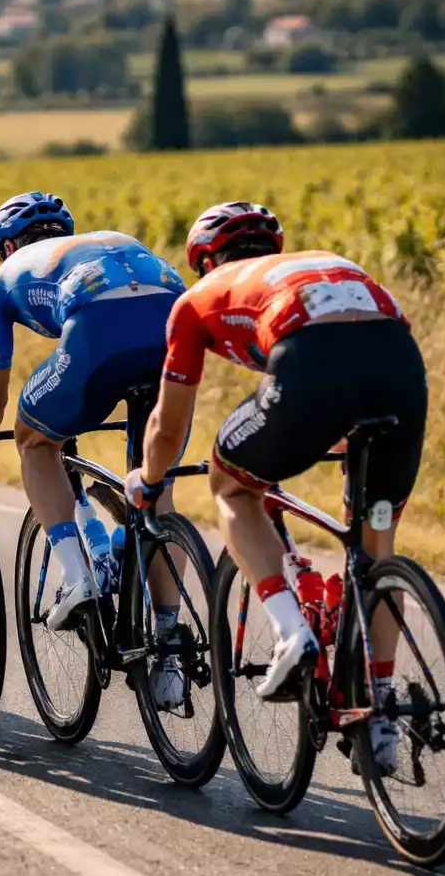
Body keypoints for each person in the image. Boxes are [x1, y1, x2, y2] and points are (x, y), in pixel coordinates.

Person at [126, 201, 426, 772]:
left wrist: (150, 477)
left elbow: (166, 426)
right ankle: (380, 716)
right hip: (400, 367)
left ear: (205, 259)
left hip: (312, 357)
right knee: (375, 544)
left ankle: (292, 635)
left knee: (232, 486)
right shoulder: (319, 265)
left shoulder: (197, 299)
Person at [0, 192, 190, 708]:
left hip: (98, 333)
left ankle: (76, 576)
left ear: (7, 244)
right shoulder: (110, 241)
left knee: (35, 440)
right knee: (156, 493)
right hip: (174, 327)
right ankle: (168, 653)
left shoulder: (4, 277)